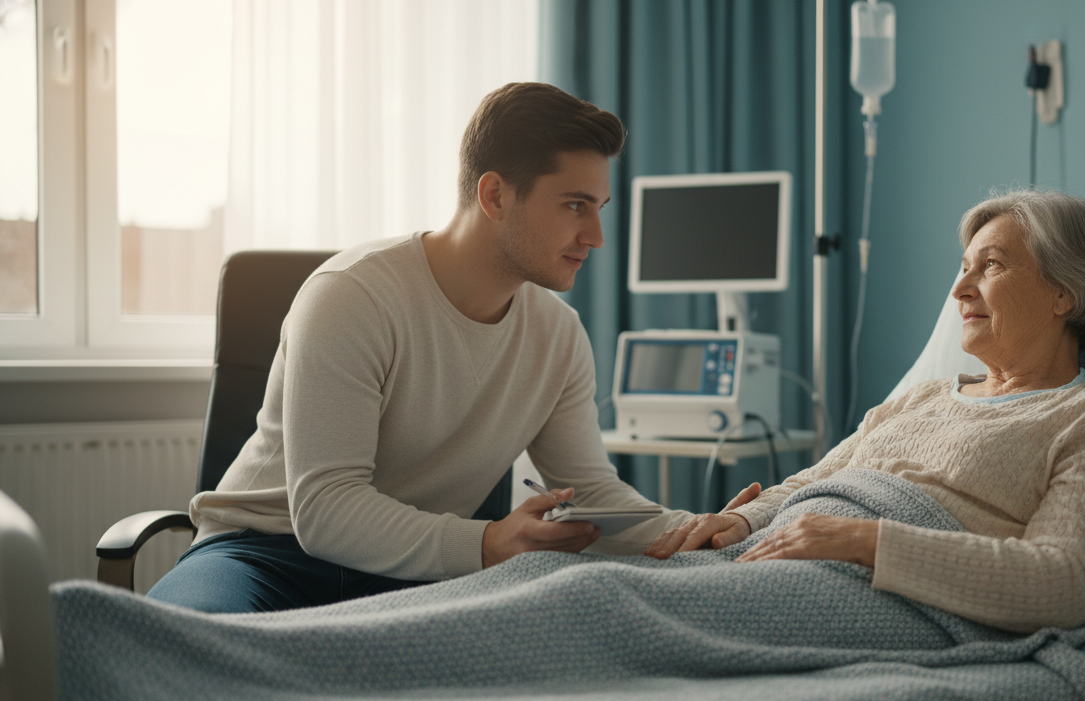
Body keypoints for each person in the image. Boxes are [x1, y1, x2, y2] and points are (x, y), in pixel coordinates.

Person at [147, 82, 752, 613]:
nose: (594, 236)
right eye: (574, 205)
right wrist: (486, 544)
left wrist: (692, 528)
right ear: (494, 196)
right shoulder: (352, 297)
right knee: (173, 650)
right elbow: (326, 510)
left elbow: (590, 492)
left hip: (419, 577)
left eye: (598, 208)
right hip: (267, 556)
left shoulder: (559, 336)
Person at [646, 189, 1085, 633]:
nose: (959, 290)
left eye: (990, 266)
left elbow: (1065, 579)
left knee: (601, 604)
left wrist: (863, 541)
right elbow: (816, 479)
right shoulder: (922, 398)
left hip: (885, 596)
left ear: (1066, 294)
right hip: (776, 555)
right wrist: (741, 519)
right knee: (575, 573)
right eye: (963, 268)